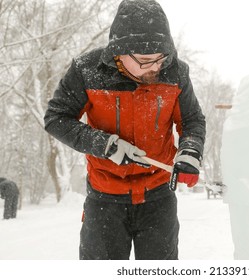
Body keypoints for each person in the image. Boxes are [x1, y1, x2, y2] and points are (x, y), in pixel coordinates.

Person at [44, 0, 205, 260]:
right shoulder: (86, 70)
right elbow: (56, 118)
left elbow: (193, 120)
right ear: (120, 52)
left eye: (160, 59)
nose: (155, 67)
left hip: (158, 198)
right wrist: (105, 145)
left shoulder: (176, 72)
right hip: (104, 199)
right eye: (145, 61)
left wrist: (190, 151)